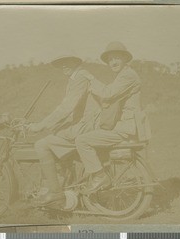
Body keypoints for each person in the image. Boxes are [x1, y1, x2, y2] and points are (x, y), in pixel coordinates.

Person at [75, 42, 151, 194]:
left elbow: (107, 93)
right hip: (124, 127)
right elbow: (107, 99)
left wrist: (90, 78)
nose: (113, 62)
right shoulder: (122, 76)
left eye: (117, 58)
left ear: (125, 59)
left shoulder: (128, 76)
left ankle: (100, 177)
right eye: (110, 60)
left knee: (81, 140)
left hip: (126, 129)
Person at [28, 55, 100, 206]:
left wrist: (40, 126)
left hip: (87, 126)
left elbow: (67, 107)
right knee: (55, 134)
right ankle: (67, 185)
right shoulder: (76, 78)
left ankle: (56, 193)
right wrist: (53, 125)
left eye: (67, 63)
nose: (64, 66)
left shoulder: (80, 77)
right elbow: (71, 109)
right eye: (61, 64)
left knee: (41, 145)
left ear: (75, 62)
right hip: (85, 123)